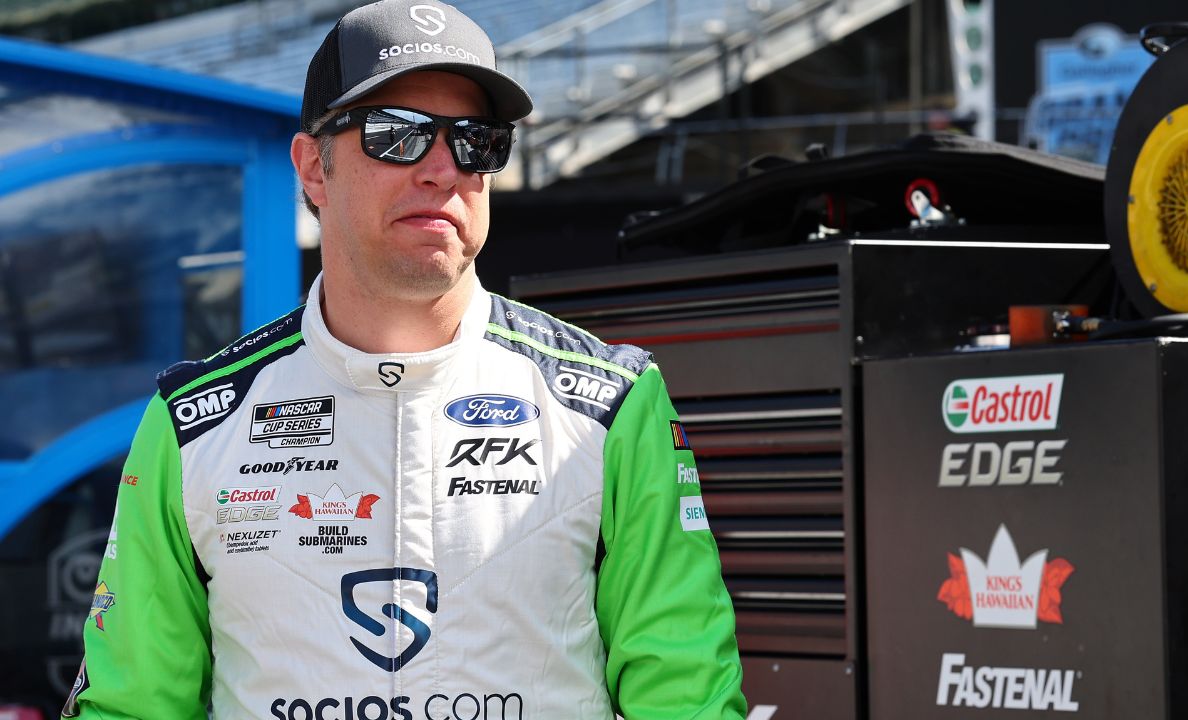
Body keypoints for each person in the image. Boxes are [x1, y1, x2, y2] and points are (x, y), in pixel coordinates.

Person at [62, 0, 747, 718]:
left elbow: (688, 701)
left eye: (477, 140)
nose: (443, 169)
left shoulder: (612, 404)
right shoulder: (193, 424)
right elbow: (131, 707)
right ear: (313, 168)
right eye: (398, 134)